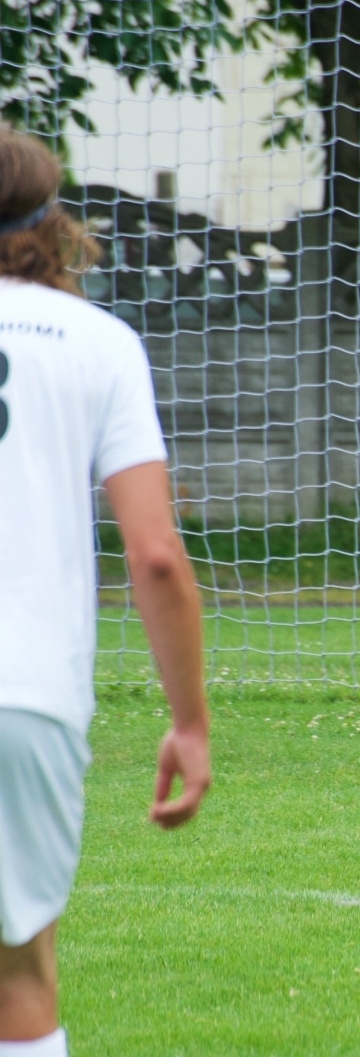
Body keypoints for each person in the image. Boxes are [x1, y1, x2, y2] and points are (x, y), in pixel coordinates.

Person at [0, 129, 211, 1056]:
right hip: (28, 696)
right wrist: (191, 722)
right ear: (57, 221)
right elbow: (156, 553)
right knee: (22, 976)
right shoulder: (100, 342)